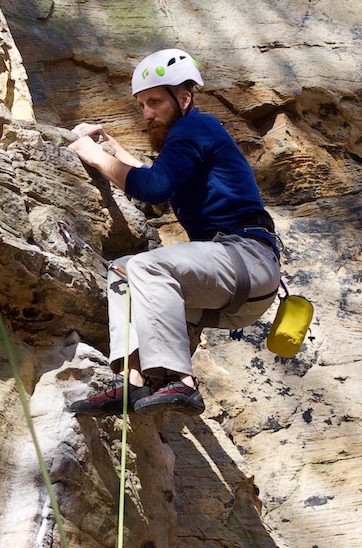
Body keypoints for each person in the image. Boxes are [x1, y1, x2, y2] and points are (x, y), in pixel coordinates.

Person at [65, 48, 281, 416]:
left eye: (154, 103)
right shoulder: (190, 138)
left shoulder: (196, 126)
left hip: (246, 258)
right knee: (122, 268)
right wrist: (109, 148)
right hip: (234, 287)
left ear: (183, 98)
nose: (147, 114)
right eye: (141, 105)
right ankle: (130, 382)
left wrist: (93, 155)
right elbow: (155, 185)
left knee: (148, 267)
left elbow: (153, 188)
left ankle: (180, 381)